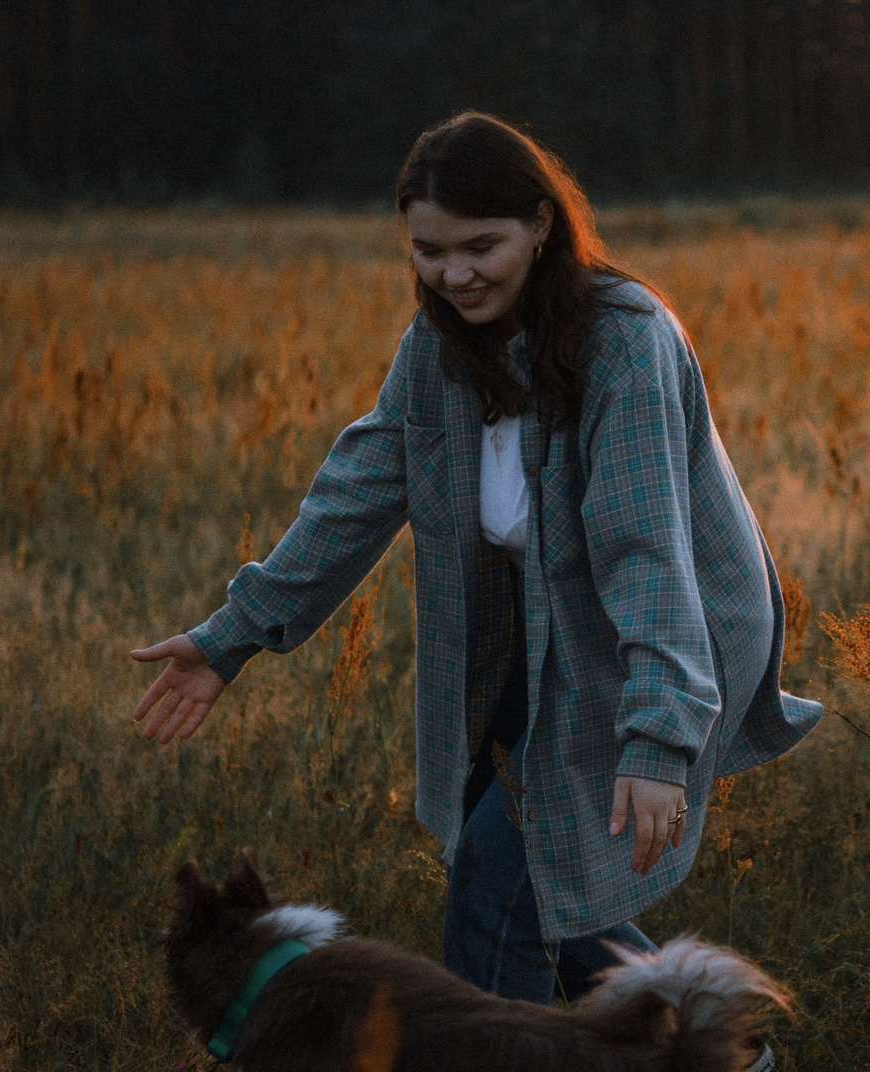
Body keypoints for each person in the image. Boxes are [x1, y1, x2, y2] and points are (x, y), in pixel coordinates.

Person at [127, 112, 818, 1007]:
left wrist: (658, 736)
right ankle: (703, 1037)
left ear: (540, 224)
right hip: (543, 625)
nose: (454, 275)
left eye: (480, 246)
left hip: (661, 634)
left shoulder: (624, 342)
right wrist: (230, 637)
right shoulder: (439, 348)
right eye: (429, 252)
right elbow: (357, 493)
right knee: (518, 860)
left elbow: (643, 553)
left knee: (503, 874)